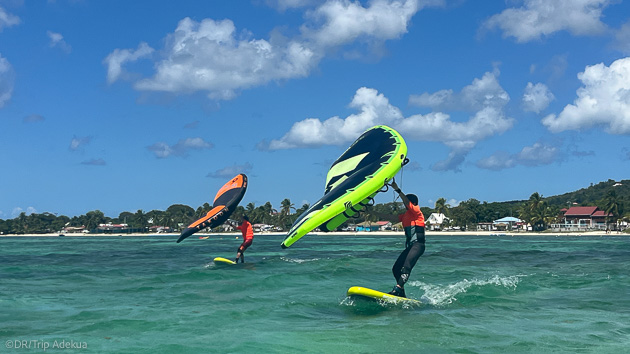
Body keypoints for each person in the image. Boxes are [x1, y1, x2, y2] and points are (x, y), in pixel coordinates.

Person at [388, 180, 425, 298]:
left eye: (406, 202)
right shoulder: (405, 216)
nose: (404, 204)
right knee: (395, 269)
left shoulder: (417, 212)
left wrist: (397, 189)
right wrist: (371, 211)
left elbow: (407, 202)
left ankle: (397, 289)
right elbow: (390, 217)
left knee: (406, 267)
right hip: (410, 246)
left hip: (418, 245)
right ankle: (402, 292)